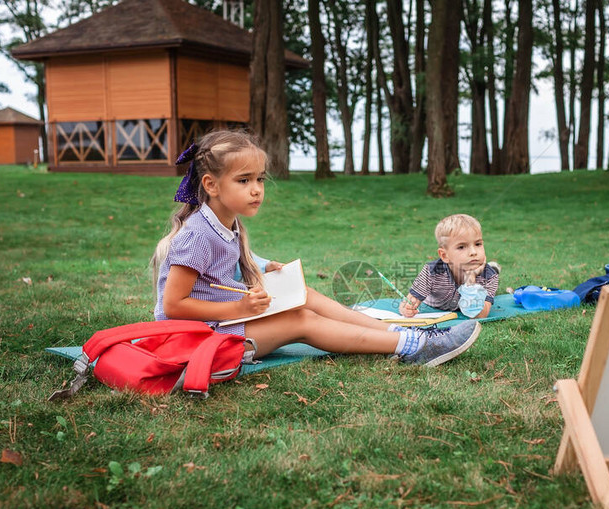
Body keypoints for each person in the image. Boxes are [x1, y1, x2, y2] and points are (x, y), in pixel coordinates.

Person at [150, 130, 481, 367]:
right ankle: (415, 346)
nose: (256, 190)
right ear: (211, 185)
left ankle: (389, 331)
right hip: (196, 340)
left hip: (221, 324)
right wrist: (238, 310)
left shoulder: (223, 223)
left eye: (260, 179)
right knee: (301, 321)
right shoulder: (196, 235)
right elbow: (174, 305)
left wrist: (264, 266)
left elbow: (228, 260)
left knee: (303, 294)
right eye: (244, 180)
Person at [399, 214, 500, 319]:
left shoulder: (490, 276)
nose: (473, 252)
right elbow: (409, 302)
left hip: (472, 294)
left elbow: (480, 315)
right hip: (436, 306)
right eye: (461, 247)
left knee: (491, 273)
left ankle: (494, 268)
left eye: (478, 244)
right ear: (444, 255)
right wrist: (407, 308)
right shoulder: (431, 271)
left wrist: (471, 281)